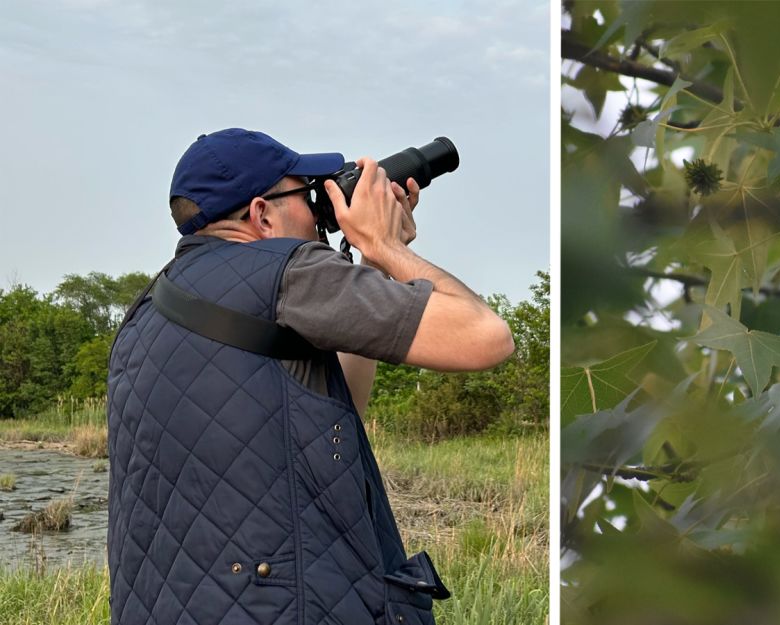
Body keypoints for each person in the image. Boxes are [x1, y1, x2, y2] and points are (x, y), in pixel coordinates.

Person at [106, 128, 514, 625]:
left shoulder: (143, 313)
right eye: (307, 195)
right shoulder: (289, 269)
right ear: (262, 213)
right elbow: (486, 336)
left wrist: (371, 267)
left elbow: (334, 413)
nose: (321, 211)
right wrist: (384, 246)